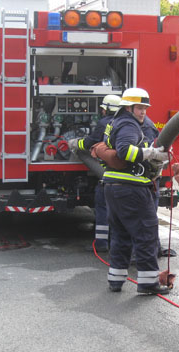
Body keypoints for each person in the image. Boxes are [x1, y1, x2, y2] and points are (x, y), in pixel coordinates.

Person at [103, 87, 171, 294]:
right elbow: (124, 151)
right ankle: (149, 283)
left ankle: (115, 280)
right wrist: (150, 153)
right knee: (146, 233)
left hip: (113, 187)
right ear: (128, 107)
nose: (143, 112)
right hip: (131, 188)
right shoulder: (128, 125)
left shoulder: (119, 122)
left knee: (121, 234)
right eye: (139, 108)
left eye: (144, 108)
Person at [68, 94, 121, 252]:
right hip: (125, 175)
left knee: (102, 203)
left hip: (108, 175)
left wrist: (76, 143)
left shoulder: (104, 122)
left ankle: (101, 243)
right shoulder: (127, 124)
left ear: (105, 110)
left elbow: (90, 142)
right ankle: (116, 241)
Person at [141, 115, 177, 259]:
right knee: (147, 216)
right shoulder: (135, 124)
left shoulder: (146, 127)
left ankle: (151, 250)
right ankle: (152, 249)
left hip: (149, 180)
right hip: (147, 180)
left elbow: (153, 158)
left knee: (148, 216)